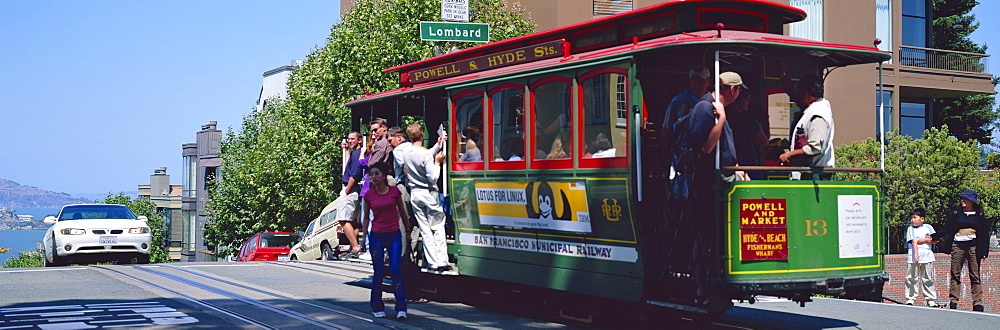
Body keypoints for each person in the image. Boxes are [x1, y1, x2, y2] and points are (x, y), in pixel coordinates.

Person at [681, 71, 747, 305]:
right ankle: (702, 290)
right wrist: (720, 120)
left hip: (723, 181)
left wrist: (738, 167)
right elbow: (707, 147)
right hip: (707, 184)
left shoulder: (717, 108)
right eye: (739, 90)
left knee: (718, 233)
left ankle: (719, 282)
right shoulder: (705, 108)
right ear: (732, 89)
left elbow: (725, 149)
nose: (739, 95)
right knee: (702, 234)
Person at [359, 162, 411, 320]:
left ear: (384, 175)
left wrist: (407, 232)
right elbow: (366, 217)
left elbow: (403, 213)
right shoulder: (369, 195)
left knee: (396, 271)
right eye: (371, 174)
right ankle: (376, 306)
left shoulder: (394, 192)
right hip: (377, 236)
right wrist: (363, 238)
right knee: (379, 273)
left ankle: (401, 307)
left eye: (376, 174)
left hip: (394, 235)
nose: (373, 177)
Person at [929, 189, 991, 311]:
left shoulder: (979, 215)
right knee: (955, 273)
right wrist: (933, 236)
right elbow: (948, 228)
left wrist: (984, 251)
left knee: (974, 274)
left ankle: (977, 302)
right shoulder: (957, 213)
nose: (962, 200)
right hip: (957, 246)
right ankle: (953, 300)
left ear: (972, 201)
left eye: (965, 198)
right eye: (962, 198)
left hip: (973, 246)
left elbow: (984, 234)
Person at [401, 123, 451, 272]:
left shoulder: (406, 151)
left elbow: (425, 153)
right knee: (437, 226)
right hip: (429, 192)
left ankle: (432, 262)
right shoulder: (426, 155)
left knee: (425, 228)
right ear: (422, 135)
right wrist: (437, 163)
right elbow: (433, 177)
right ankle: (442, 260)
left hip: (415, 193)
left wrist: (438, 144)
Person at [778, 74, 834, 173]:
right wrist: (782, 74)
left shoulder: (818, 114)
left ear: (805, 93)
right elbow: (792, 91)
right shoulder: (811, 107)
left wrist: (788, 154)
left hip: (815, 175)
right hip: (807, 173)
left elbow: (815, 148)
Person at [660, 66, 711, 154]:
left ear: (708, 82)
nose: (697, 85)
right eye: (694, 81)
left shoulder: (713, 102)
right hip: (682, 155)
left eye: (701, 81)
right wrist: (667, 155)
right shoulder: (678, 102)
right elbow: (665, 131)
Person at [904, 208, 938, 307]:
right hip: (913, 255)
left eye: (915, 217)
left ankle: (930, 299)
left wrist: (925, 240)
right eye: (911, 218)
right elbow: (914, 241)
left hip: (926, 255)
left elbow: (935, 240)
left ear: (922, 219)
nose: (913, 220)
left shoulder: (929, 227)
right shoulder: (910, 229)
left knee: (927, 277)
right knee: (911, 277)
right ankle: (910, 298)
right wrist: (916, 255)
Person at [338, 131, 364, 257]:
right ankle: (352, 248)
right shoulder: (355, 154)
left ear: (360, 140)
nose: (350, 141)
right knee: (353, 221)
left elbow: (355, 174)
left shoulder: (358, 154)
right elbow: (350, 165)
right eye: (349, 139)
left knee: (343, 219)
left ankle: (355, 247)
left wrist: (347, 190)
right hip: (354, 190)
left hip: (350, 189)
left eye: (353, 139)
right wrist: (347, 150)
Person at [730, 93, 768, 179]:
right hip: (747, 160)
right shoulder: (749, 119)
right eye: (746, 98)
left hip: (732, 160)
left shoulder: (728, 117)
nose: (749, 101)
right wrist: (766, 122)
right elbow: (764, 141)